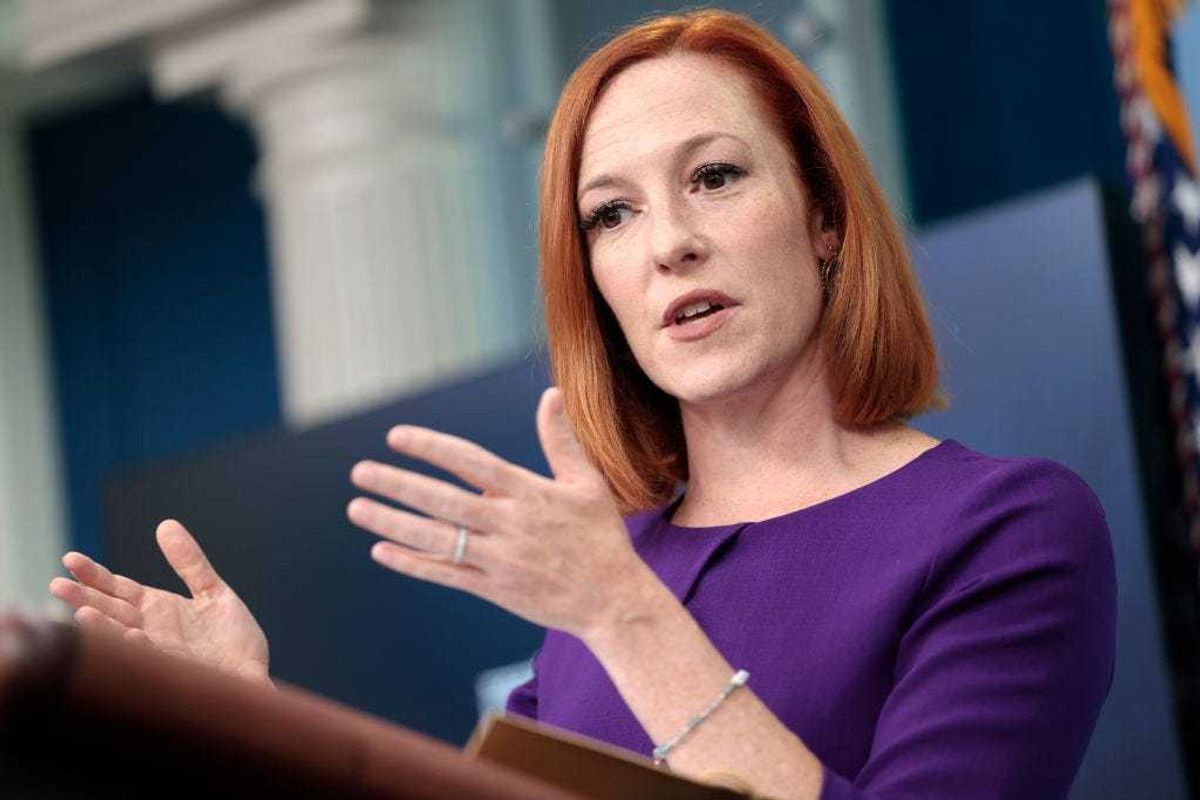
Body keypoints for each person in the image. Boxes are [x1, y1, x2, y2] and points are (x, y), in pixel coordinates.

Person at [48, 9, 1116, 800]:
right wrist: (247, 718)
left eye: (715, 177)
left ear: (825, 217)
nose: (669, 244)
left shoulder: (1003, 528)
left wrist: (624, 613)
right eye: (612, 214)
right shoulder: (613, 570)